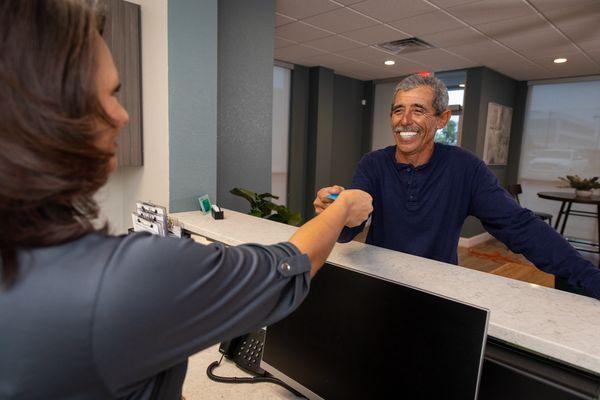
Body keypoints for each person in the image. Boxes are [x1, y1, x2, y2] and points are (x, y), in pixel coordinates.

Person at [0, 1, 372, 399]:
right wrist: (344, 207)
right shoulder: (124, 280)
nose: (122, 115)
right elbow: (290, 268)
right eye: (109, 94)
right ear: (50, 113)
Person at [314, 74, 600, 300]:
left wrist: (590, 278)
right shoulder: (373, 163)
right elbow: (350, 228)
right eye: (398, 110)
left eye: (418, 110)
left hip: (439, 292)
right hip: (378, 285)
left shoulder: (465, 168)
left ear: (442, 118)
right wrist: (336, 210)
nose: (405, 120)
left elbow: (520, 227)